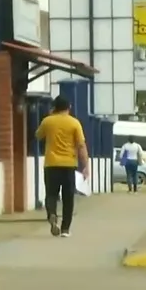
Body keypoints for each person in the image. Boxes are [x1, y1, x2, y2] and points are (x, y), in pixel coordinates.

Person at [35, 96, 89, 237]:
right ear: (68, 107)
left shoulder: (48, 121)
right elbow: (81, 145)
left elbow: (38, 135)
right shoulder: (74, 123)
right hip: (69, 165)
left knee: (51, 194)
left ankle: (52, 214)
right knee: (68, 198)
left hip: (51, 164)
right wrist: (85, 166)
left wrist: (50, 116)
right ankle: (65, 229)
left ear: (54, 107)